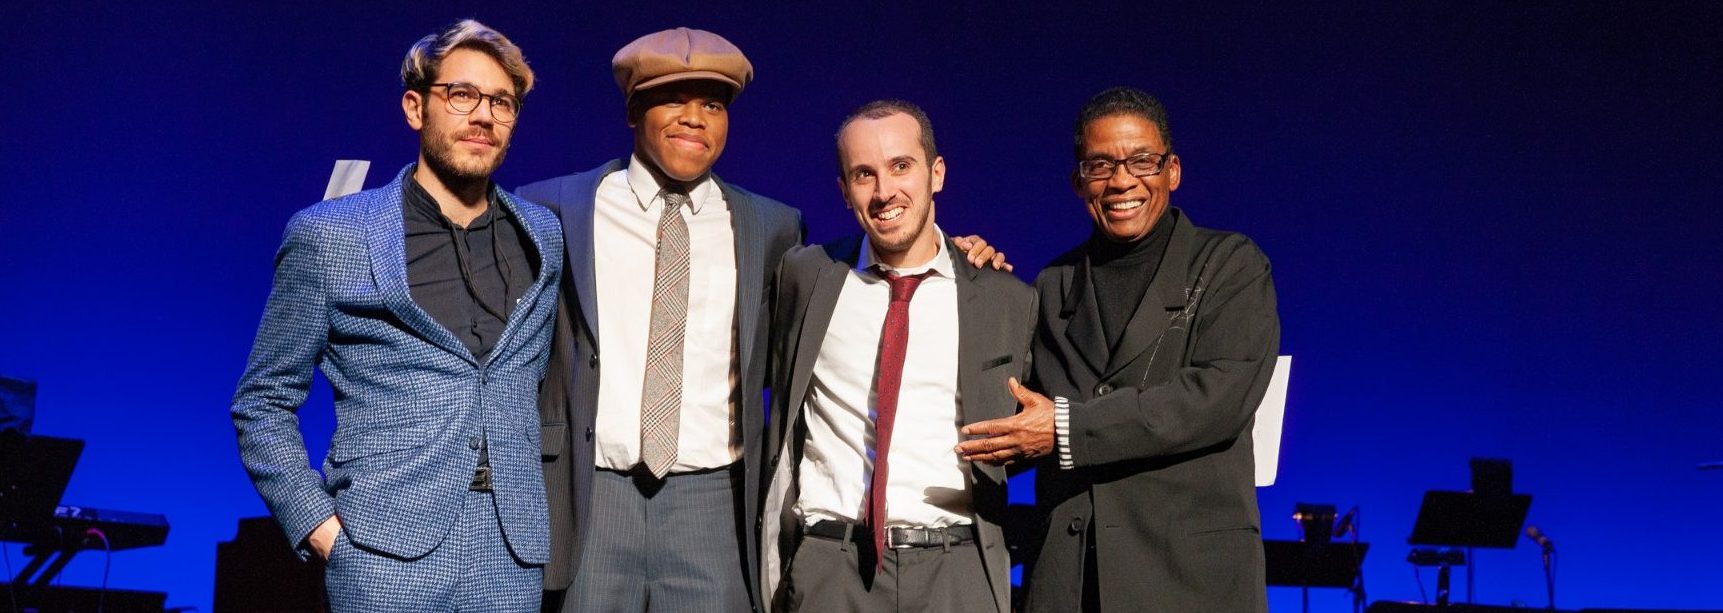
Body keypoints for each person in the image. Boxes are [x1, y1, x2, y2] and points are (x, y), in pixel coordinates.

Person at [521, 28, 1005, 613]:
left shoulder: (773, 229)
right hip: (593, 496)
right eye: (674, 98)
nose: (694, 118)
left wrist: (961, 252)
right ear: (633, 110)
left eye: (713, 105)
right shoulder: (553, 209)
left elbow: (887, 256)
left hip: (714, 505)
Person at [231, 20, 559, 611]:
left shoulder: (542, 237)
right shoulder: (332, 236)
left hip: (511, 557)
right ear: (416, 107)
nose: (483, 115)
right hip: (383, 554)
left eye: (502, 102)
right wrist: (321, 529)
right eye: (461, 95)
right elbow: (263, 400)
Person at [955, 86, 1280, 612]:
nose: (1122, 180)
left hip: (1188, 582)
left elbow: (1215, 399)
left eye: (1142, 161)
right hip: (1069, 581)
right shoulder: (1054, 284)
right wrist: (971, 288)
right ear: (1078, 181)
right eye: (1100, 165)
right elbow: (1012, 417)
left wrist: (1065, 430)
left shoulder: (1230, 266)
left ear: (1172, 170)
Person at [758, 100, 1034, 613]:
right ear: (844, 192)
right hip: (831, 568)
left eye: (901, 167)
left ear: (937, 173)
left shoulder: (1004, 298)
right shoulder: (806, 277)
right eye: (864, 174)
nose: (884, 192)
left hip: (956, 568)